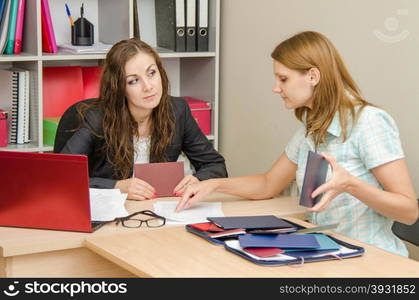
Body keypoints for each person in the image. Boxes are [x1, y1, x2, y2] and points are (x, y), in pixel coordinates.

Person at [176, 31, 418, 256]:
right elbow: (268, 183)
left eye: (283, 79)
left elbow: (409, 211)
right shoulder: (311, 129)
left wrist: (351, 185)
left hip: (372, 259)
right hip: (326, 250)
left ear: (313, 76)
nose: (275, 88)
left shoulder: (368, 122)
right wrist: (213, 184)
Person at [54, 38, 227, 200]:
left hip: (155, 211)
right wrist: (117, 187)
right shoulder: (94, 118)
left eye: (151, 73)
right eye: (133, 81)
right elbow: (60, 177)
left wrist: (198, 179)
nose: (148, 86)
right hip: (105, 215)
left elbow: (216, 166)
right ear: (118, 88)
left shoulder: (177, 111)